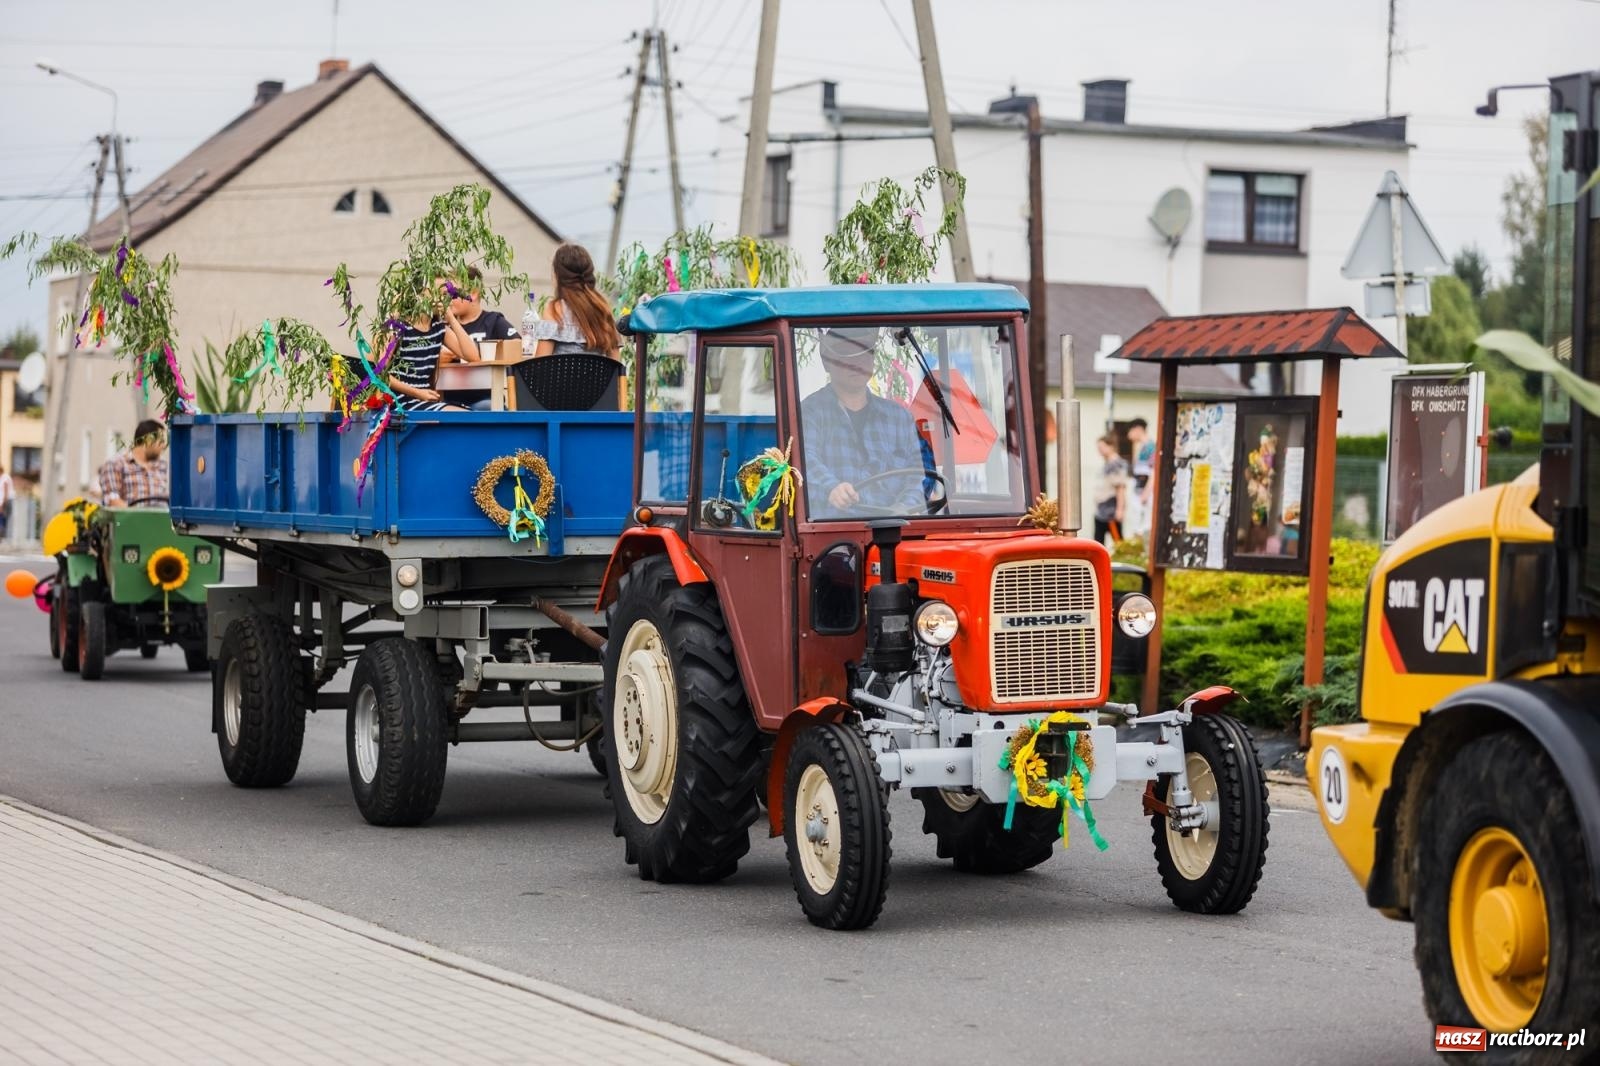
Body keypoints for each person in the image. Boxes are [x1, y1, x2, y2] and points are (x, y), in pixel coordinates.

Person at [800, 326, 929, 517]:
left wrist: (903, 509)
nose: (856, 362)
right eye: (846, 354)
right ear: (827, 362)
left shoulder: (900, 418)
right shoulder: (810, 412)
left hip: (893, 531)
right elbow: (804, 460)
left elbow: (916, 476)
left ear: (873, 359)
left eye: (864, 352)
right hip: (834, 535)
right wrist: (832, 488)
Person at [388, 280, 479, 412]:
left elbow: (473, 356)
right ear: (420, 295)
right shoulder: (400, 328)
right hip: (401, 400)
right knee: (465, 417)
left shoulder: (438, 327)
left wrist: (452, 319)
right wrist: (417, 393)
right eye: (439, 293)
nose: (444, 299)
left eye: (446, 294)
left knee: (470, 415)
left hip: (425, 399)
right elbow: (379, 375)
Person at [441, 266, 519, 409]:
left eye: (453, 293)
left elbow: (517, 345)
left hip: (486, 397)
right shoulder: (444, 327)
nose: (448, 299)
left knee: (486, 407)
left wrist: (491, 355)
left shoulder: (493, 321)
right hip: (449, 399)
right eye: (445, 294)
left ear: (473, 293)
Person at [525, 244, 621, 359]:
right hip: (597, 377)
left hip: (560, 377)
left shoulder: (555, 310)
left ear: (557, 275)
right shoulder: (603, 310)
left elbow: (540, 366)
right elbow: (618, 369)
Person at [98, 420, 169, 507]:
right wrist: (139, 517)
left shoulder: (163, 465)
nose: (164, 446)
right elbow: (112, 500)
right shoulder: (116, 464)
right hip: (129, 519)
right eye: (161, 442)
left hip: (161, 519)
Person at [1091, 432, 1129, 546]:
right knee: (1098, 543)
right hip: (1101, 511)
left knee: (1118, 543)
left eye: (1102, 447)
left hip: (1110, 511)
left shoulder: (1116, 464)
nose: (1100, 450)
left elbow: (1120, 488)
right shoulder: (1107, 464)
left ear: (1111, 446)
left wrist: (1120, 509)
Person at [1127, 417, 1154, 536]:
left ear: (1138, 429)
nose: (1129, 435)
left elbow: (1154, 472)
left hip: (1145, 494)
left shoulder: (1150, 447)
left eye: (1130, 431)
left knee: (1144, 527)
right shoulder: (1141, 447)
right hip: (1139, 493)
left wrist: (1146, 494)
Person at [0, 464, 12, 541]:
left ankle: (2, 536)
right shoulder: (2, 478)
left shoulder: (5, 478)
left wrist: (2, 504)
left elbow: (5, 493)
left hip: (5, 502)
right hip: (2, 501)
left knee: (3, 518)